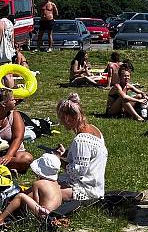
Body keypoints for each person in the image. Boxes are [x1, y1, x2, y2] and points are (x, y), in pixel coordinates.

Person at [4, 93, 107, 222]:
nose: (62, 125)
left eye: (62, 120)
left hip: (85, 189)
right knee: (40, 187)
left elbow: (77, 173)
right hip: (95, 185)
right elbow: (88, 159)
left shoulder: (81, 140)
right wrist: (66, 154)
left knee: (41, 191)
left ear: (68, 118)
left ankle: (15, 212)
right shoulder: (94, 130)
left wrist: (58, 160)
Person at [0, 88, 33, 173]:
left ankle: (5, 167)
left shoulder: (15, 115)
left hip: (14, 152)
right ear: (3, 104)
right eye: (12, 99)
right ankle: (7, 168)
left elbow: (18, 138)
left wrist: (8, 155)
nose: (15, 101)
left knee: (26, 159)